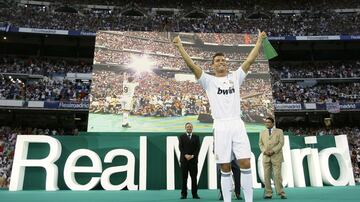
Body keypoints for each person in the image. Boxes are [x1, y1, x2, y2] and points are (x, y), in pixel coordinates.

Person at [173, 30, 267, 202]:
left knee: (245, 162)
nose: (221, 62)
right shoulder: (208, 80)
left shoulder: (236, 77)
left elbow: (250, 60)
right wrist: (180, 46)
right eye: (218, 60)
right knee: (225, 167)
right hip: (220, 126)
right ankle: (227, 199)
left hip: (237, 124)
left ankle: (249, 200)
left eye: (223, 60)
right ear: (213, 65)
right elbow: (192, 66)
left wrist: (260, 41)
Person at [259, 117, 286, 199]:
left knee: (277, 175)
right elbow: (260, 144)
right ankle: (268, 193)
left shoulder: (279, 131)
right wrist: (264, 151)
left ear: (273, 123)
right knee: (266, 176)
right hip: (266, 157)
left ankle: (281, 193)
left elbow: (281, 143)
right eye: (266, 122)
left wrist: (273, 151)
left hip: (276, 156)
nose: (267, 123)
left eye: (269, 122)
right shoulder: (262, 132)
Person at [179, 122, 201, 199]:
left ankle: (195, 194)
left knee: (194, 178)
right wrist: (185, 155)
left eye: (190, 127)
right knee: (184, 178)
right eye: (188, 127)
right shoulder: (181, 137)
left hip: (193, 161)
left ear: (192, 128)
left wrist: (192, 156)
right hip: (184, 161)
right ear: (185, 128)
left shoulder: (196, 137)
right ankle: (183, 194)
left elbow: (198, 148)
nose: (189, 128)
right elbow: (181, 148)